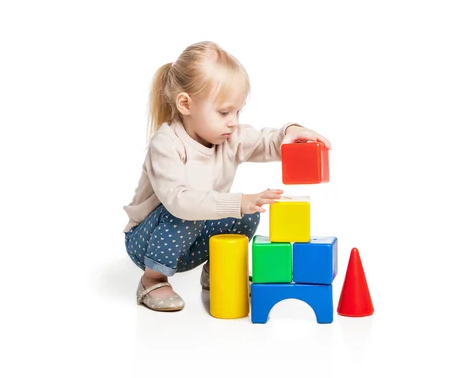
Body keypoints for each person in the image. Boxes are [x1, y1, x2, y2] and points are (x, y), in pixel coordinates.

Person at [123, 41, 331, 312]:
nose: (233, 121)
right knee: (188, 212)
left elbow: (265, 142)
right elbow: (179, 202)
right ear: (186, 104)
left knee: (249, 212)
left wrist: (290, 133)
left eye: (237, 111)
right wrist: (238, 201)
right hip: (148, 242)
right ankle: (152, 280)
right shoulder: (167, 144)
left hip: (190, 238)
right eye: (224, 112)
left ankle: (218, 269)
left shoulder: (230, 136)